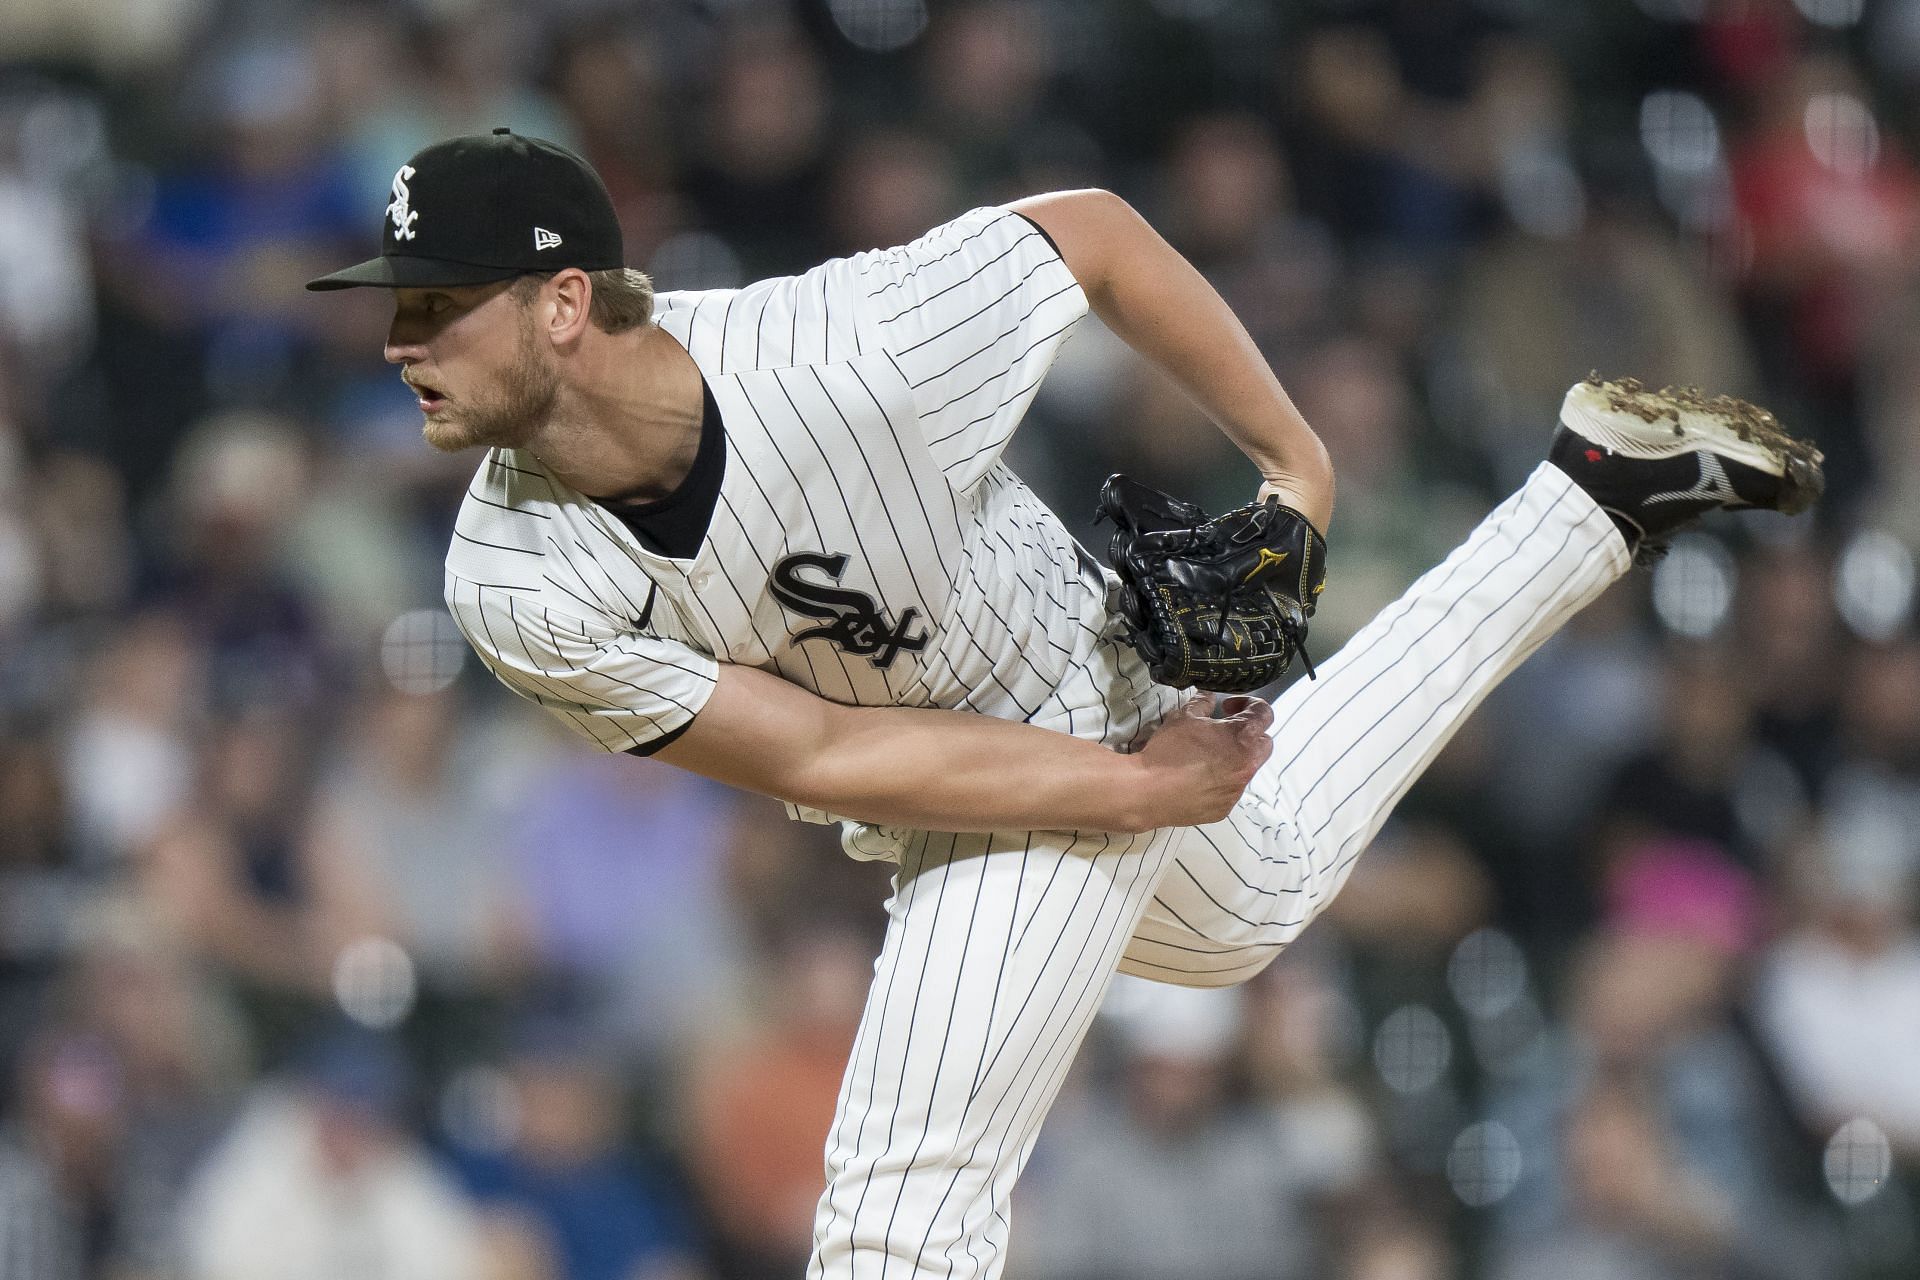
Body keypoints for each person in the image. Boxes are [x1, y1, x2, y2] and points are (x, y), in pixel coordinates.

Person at [307, 129, 1823, 1280]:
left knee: (901, 1209)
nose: (397, 343)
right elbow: (823, 747)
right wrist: (1140, 791)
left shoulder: (850, 352)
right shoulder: (511, 578)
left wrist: (1299, 470)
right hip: (942, 776)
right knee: (1260, 888)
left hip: (1072, 680)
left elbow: (1092, 238)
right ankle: (1593, 499)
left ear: (566, 302)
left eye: (436, 305)